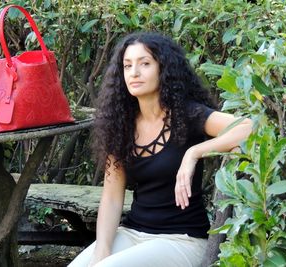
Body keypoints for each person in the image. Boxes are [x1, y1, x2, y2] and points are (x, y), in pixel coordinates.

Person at [68, 32, 252, 267]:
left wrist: (193, 153)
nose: (134, 72)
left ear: (163, 68)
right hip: (132, 233)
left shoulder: (187, 114)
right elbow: (112, 198)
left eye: (144, 63)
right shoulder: (121, 124)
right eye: (127, 65)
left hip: (181, 241)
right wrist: (102, 250)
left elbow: (249, 128)